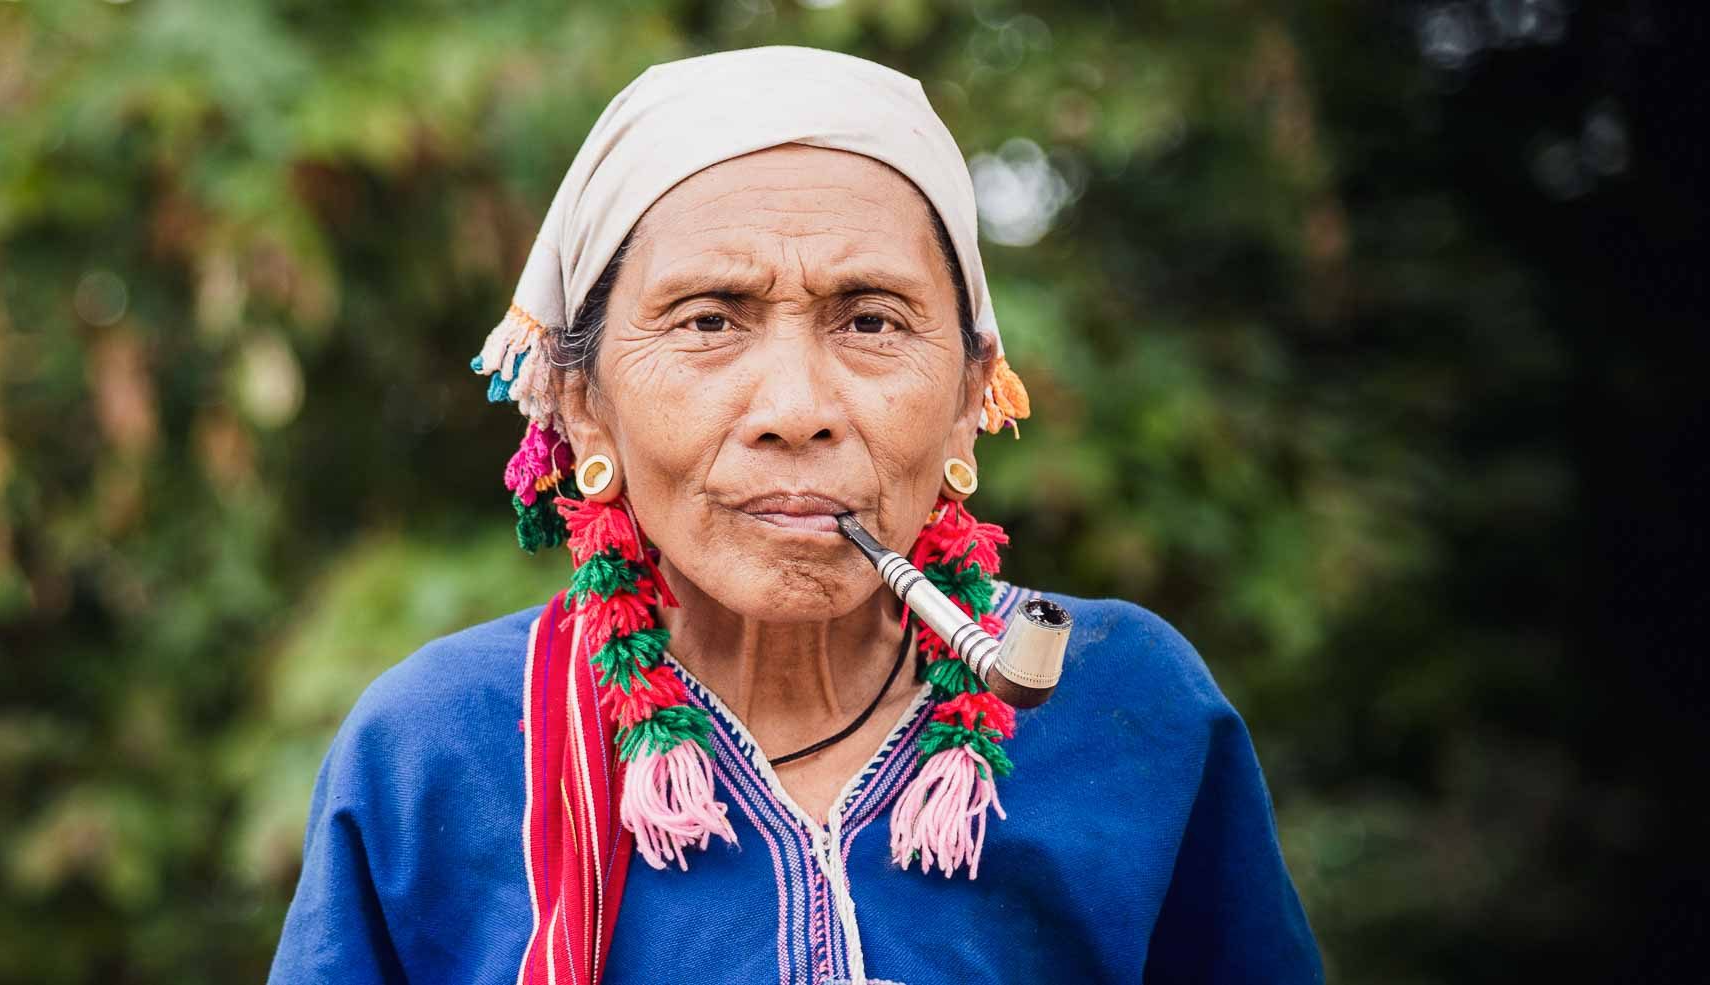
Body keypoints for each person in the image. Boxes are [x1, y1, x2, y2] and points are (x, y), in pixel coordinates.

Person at [267, 46, 1320, 985]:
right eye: (708, 319)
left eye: (870, 319)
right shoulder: (432, 751)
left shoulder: (1131, 709)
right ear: (583, 407)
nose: (796, 411)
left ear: (967, 398)